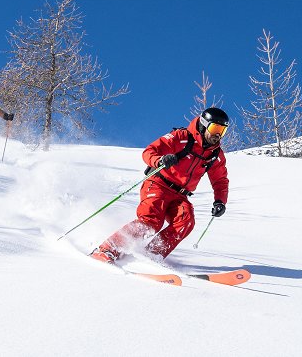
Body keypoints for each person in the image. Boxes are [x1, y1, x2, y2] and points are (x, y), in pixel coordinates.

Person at [90, 107, 230, 263]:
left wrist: (220, 201)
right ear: (204, 124)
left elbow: (220, 181)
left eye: (222, 131)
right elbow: (150, 151)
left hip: (180, 195)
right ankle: (107, 249)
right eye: (215, 128)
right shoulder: (181, 137)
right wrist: (160, 160)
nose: (218, 134)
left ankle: (151, 255)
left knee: (186, 221)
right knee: (151, 221)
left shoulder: (216, 155)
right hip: (158, 184)